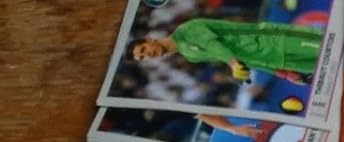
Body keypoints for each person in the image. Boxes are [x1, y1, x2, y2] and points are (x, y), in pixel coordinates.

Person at [130, 19, 324, 84]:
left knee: (331, 47)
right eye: (142, 57)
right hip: (276, 61)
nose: (147, 55)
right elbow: (243, 62)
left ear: (149, 39)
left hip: (275, 40)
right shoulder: (190, 56)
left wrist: (232, 64)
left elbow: (214, 45)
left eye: (143, 49)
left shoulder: (186, 30)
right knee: (330, 68)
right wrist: (281, 73)